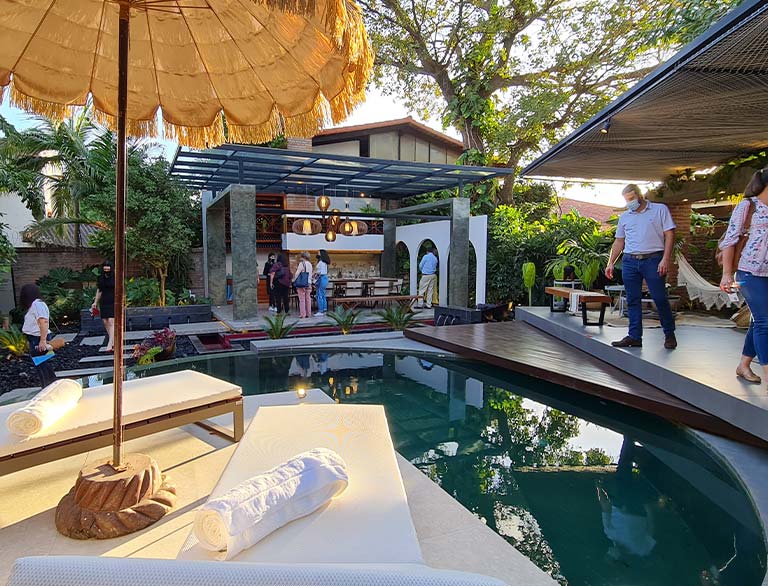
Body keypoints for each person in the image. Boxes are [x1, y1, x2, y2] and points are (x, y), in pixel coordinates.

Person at [606, 184, 677, 349]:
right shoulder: (625, 217)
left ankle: (669, 334)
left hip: (653, 259)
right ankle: (634, 336)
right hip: (630, 261)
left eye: (631, 198)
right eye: (626, 200)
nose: (629, 202)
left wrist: (665, 259)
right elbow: (619, 241)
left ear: (640, 195)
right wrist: (611, 262)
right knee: (632, 299)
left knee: (659, 298)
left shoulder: (659, 209)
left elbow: (670, 234)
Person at [719, 168, 768, 384]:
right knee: (766, 322)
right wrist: (726, 274)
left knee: (759, 320)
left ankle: (744, 365)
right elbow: (730, 241)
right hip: (750, 272)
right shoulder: (748, 206)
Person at [19, 283, 56, 387]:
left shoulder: (37, 305)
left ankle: (48, 386)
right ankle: (50, 384)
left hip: (38, 337)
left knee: (41, 364)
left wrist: (42, 340)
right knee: (42, 363)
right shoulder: (37, 304)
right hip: (36, 338)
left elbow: (43, 322)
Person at [92, 260, 115, 352]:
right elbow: (99, 291)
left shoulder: (115, 277)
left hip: (113, 300)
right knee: (105, 321)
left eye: (108, 267)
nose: (106, 269)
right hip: (104, 300)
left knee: (111, 321)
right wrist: (95, 302)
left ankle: (110, 343)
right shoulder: (100, 278)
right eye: (105, 268)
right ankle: (113, 340)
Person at [294, 251, 314, 319]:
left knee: (302, 299)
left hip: (302, 283)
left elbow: (297, 273)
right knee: (308, 298)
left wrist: (295, 280)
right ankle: (309, 313)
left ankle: (303, 314)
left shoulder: (301, 263)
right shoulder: (310, 264)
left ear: (303, 257)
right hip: (309, 283)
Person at [314, 249, 331, 317]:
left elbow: (318, 272)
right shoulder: (325, 263)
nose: (317, 254)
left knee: (319, 295)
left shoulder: (321, 262)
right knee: (323, 295)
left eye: (318, 253)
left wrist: (313, 276)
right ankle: (324, 309)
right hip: (325, 278)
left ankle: (320, 311)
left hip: (321, 278)